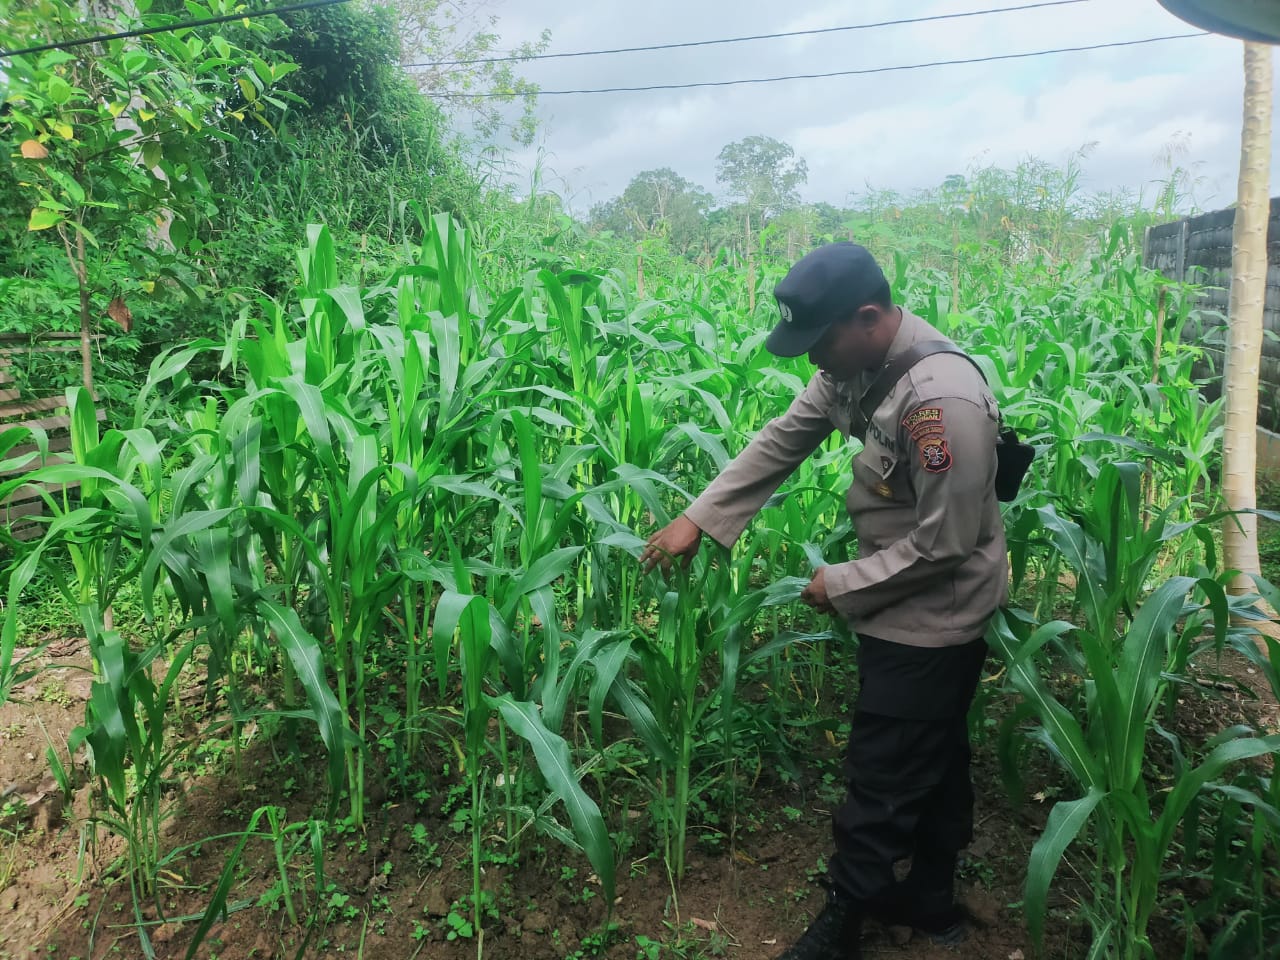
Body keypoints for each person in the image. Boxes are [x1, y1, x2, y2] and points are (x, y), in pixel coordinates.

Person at [638, 242, 1009, 960]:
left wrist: (837, 584)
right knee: (936, 753)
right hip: (903, 587)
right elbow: (786, 437)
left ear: (868, 317)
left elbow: (945, 546)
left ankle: (842, 925)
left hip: (933, 608)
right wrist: (700, 517)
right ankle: (933, 902)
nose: (812, 362)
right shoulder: (860, 363)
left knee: (884, 768)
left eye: (819, 343)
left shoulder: (938, 403)